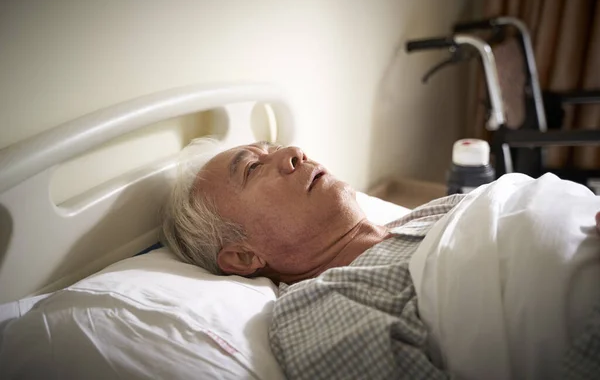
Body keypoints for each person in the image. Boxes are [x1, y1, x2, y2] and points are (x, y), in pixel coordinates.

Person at [162, 141, 600, 380]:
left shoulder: (428, 215)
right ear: (242, 255)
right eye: (253, 169)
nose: (293, 153)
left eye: (274, 147)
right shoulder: (316, 307)